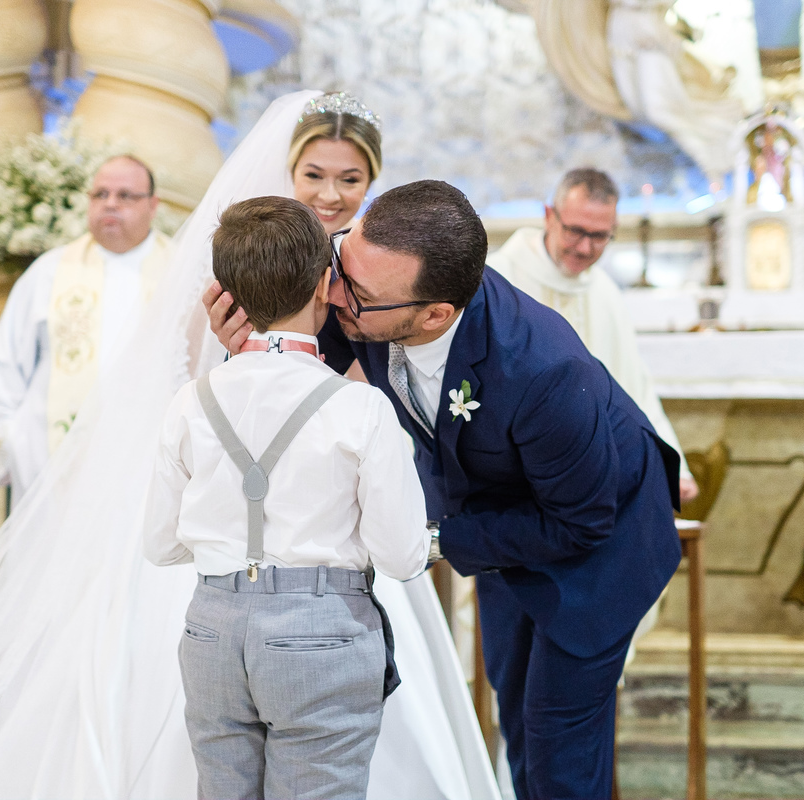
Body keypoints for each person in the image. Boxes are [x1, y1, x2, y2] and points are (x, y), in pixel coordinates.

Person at [0, 92, 497, 800]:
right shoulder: (268, 303)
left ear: (372, 183)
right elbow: (387, 537)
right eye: (314, 175)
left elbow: (166, 537)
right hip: (313, 593)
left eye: (349, 179)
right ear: (288, 173)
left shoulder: (377, 275)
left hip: (239, 595)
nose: (329, 194)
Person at [207, 180, 682, 800]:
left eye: (357, 295)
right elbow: (289, 384)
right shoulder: (364, 289)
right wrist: (247, 353)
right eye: (341, 265)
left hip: (603, 546)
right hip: (504, 521)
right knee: (517, 715)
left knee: (558, 744)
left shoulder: (544, 372)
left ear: (435, 315)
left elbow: (580, 522)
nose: (331, 295)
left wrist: (430, 538)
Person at [145, 196, 432, 798]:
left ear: (227, 293)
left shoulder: (190, 401)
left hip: (212, 631)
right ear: (326, 284)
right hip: (321, 633)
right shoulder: (362, 408)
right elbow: (402, 558)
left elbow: (161, 544)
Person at [487, 167, 698, 505]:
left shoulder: (605, 293)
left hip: (590, 478)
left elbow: (633, 387)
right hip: (510, 478)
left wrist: (674, 468)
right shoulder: (497, 283)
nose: (585, 247)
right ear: (549, 216)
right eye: (575, 231)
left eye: (599, 236)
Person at [0, 154, 170, 506]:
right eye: (100, 194)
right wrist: (12, 443)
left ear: (153, 205)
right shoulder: (49, 272)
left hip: (146, 466)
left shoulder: (181, 271)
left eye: (125, 195)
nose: (110, 204)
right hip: (48, 467)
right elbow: (4, 361)